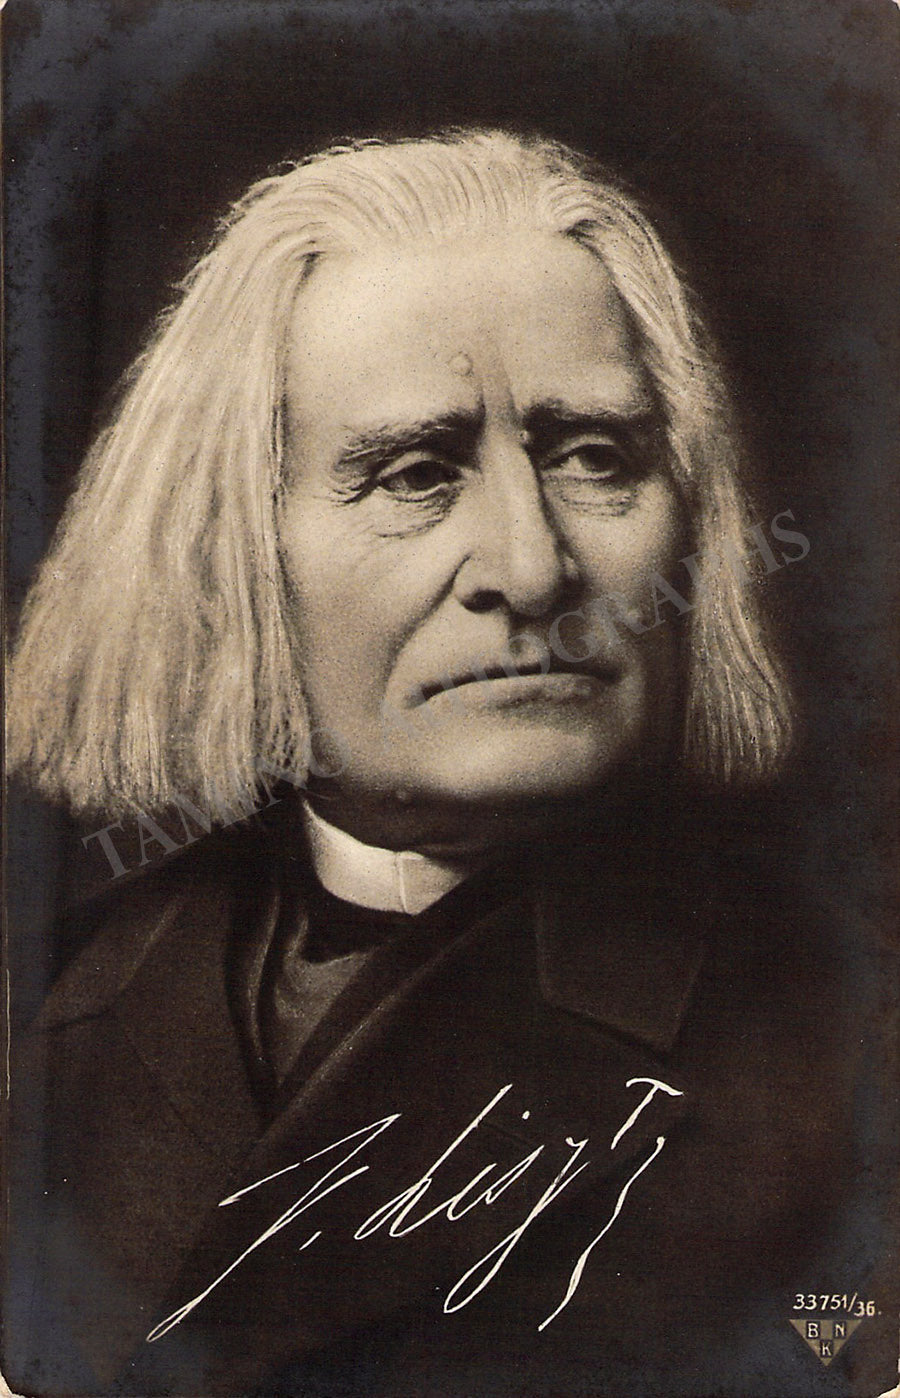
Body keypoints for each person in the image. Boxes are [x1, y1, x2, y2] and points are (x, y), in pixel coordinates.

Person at [5, 130, 894, 1397]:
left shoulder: (852, 1039)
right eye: (415, 474)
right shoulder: (50, 1008)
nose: (531, 569)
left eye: (596, 458)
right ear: (228, 552)